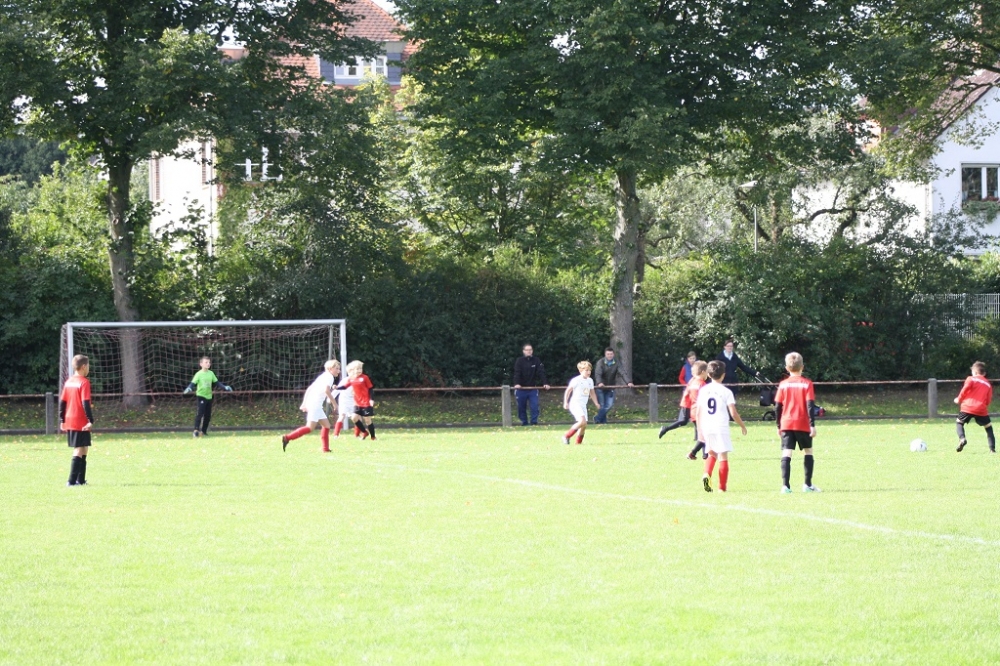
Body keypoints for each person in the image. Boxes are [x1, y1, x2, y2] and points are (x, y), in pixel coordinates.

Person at [694, 360, 748, 492]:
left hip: (707, 426)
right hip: (720, 426)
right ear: (723, 375)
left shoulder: (704, 390)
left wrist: (700, 429)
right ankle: (722, 488)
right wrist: (742, 425)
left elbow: (698, 412)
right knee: (723, 456)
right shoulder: (726, 392)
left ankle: (706, 474)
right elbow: (733, 413)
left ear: (709, 374)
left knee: (712, 453)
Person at [774, 352, 819, 493]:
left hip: (786, 423)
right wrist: (812, 425)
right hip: (802, 423)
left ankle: (785, 486)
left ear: (787, 368)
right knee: (808, 451)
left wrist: (778, 425)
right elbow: (810, 406)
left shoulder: (783, 385)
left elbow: (777, 407)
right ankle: (807, 485)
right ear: (802, 367)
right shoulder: (807, 384)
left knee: (786, 453)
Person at [281, 360, 339, 452]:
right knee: (310, 428)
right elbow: (326, 391)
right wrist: (335, 404)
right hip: (315, 405)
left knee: (326, 425)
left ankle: (325, 449)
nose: (338, 371)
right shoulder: (329, 377)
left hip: (315, 404)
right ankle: (287, 437)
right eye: (337, 368)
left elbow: (311, 388)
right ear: (330, 368)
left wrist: (304, 403)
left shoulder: (323, 376)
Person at [60, 354, 94, 486]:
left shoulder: (69, 382)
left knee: (84, 447)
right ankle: (71, 481)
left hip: (70, 418)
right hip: (79, 420)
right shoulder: (84, 382)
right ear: (84, 366)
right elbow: (86, 403)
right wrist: (90, 420)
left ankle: (81, 480)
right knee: (79, 448)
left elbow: (62, 402)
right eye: (88, 366)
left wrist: (62, 419)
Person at [183, 356, 232, 438]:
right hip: (201, 396)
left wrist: (225, 387)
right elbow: (193, 383)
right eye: (206, 362)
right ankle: (195, 431)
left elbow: (217, 383)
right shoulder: (198, 374)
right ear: (201, 364)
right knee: (200, 414)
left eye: (209, 362)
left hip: (209, 397)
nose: (208, 364)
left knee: (208, 415)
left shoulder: (211, 373)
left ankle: (203, 431)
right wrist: (189, 388)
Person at [954, 361, 995, 453]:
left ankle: (962, 439)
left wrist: (959, 399)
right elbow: (988, 400)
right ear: (984, 373)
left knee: (959, 423)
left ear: (975, 372)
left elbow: (965, 390)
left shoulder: (971, 379)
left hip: (967, 407)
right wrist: (983, 407)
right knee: (988, 428)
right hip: (981, 408)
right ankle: (992, 449)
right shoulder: (988, 384)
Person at [659, 357, 704, 439]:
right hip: (687, 403)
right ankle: (665, 429)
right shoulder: (696, 381)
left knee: (695, 420)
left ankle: (697, 438)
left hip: (689, 403)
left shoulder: (693, 380)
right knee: (683, 421)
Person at [562, 360, 601, 444]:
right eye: (586, 370)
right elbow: (568, 391)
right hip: (575, 404)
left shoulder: (590, 380)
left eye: (589, 370)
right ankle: (566, 436)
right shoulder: (576, 380)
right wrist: (566, 402)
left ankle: (578, 443)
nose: (588, 372)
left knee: (584, 425)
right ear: (580, 371)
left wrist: (596, 403)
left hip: (583, 405)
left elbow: (592, 392)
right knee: (582, 421)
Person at [337, 360, 377, 440]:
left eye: (360, 368)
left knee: (367, 420)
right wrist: (337, 387)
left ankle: (373, 437)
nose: (359, 370)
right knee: (354, 418)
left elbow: (370, 388)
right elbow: (345, 387)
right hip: (357, 403)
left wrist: (371, 399)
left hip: (365, 403)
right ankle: (365, 432)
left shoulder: (365, 377)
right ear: (352, 370)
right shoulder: (351, 379)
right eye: (357, 369)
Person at [593, 347, 633, 424]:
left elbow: (622, 372)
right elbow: (598, 374)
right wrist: (599, 383)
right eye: (608, 354)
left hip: (610, 387)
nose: (609, 356)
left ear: (613, 354)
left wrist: (628, 382)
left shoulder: (617, 362)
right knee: (602, 405)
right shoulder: (600, 362)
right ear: (605, 354)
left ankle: (597, 418)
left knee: (609, 405)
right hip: (600, 388)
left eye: (611, 354)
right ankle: (603, 422)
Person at [512, 343, 550, 426]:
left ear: (532, 351)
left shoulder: (536, 360)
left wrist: (545, 383)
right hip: (521, 389)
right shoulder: (519, 361)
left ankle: (534, 422)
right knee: (521, 407)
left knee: (534, 406)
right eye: (527, 350)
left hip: (532, 388)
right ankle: (524, 423)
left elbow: (541, 372)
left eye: (530, 350)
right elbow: (517, 373)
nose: (529, 351)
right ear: (523, 351)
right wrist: (517, 384)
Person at [683, 361, 710, 459]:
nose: (708, 374)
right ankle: (692, 453)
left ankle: (705, 455)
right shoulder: (702, 384)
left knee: (703, 434)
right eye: (707, 372)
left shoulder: (693, 382)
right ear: (703, 372)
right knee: (705, 436)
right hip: (701, 411)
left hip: (693, 411)